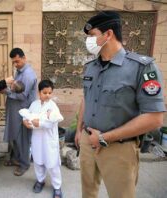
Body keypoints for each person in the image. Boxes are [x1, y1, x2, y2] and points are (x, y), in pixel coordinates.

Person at [75, 11, 165, 198]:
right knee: (87, 193)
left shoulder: (141, 67)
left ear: (108, 34)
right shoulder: (91, 67)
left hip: (119, 148)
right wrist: (78, 131)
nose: (89, 41)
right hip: (87, 142)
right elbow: (86, 98)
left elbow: (155, 118)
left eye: (92, 36)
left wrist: (105, 137)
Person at [21, 80, 64, 198]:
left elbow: (51, 123)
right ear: (39, 92)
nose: (48, 95)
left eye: (50, 93)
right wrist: (25, 121)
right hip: (37, 139)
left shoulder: (53, 106)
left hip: (49, 139)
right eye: (45, 92)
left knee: (52, 164)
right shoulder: (34, 104)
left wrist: (38, 123)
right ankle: (40, 180)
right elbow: (27, 115)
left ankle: (57, 187)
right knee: (38, 161)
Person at [3, 47, 37, 176]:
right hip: (15, 109)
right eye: (13, 62)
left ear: (24, 58)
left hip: (23, 109)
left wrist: (5, 92)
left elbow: (22, 96)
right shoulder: (19, 71)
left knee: (22, 137)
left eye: (17, 61)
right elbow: (15, 89)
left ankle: (24, 164)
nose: (15, 64)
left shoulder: (28, 75)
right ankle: (15, 159)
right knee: (14, 135)